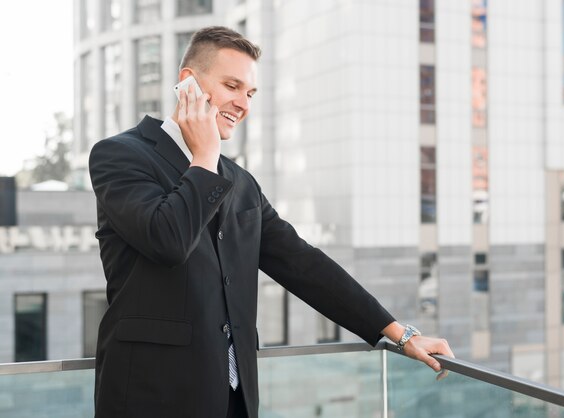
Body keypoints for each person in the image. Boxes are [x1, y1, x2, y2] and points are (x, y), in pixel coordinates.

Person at [88, 26, 454, 418]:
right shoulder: (119, 155)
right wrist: (206, 157)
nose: (243, 103)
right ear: (188, 83)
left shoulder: (241, 183)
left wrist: (399, 333)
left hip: (234, 397)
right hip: (149, 396)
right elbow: (168, 240)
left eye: (250, 93)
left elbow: (302, 264)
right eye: (232, 86)